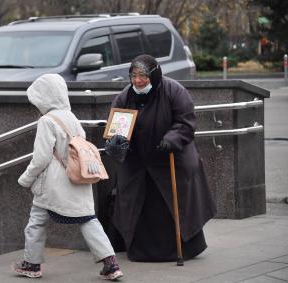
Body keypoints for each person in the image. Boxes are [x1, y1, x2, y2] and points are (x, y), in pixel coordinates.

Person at [107, 54, 217, 262]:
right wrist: (115, 143)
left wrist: (171, 139)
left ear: (154, 75)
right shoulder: (124, 97)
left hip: (170, 160)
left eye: (143, 76)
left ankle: (182, 249)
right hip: (138, 165)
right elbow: (116, 128)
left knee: (173, 206)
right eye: (134, 76)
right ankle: (140, 251)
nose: (138, 81)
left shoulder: (174, 91)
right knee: (139, 206)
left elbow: (185, 123)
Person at [15, 74, 123, 281]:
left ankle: (31, 264)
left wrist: (26, 179)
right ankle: (111, 263)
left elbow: (41, 158)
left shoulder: (47, 121)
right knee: (89, 220)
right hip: (79, 178)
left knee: (37, 221)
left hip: (53, 184)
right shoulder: (71, 116)